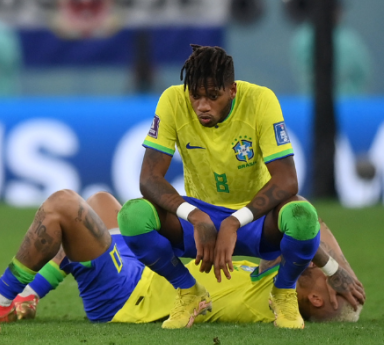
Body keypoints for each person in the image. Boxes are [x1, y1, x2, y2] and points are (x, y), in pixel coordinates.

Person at [117, 44, 322, 329]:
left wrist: (234, 222)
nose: (202, 105)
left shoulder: (261, 100)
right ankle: (188, 292)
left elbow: (287, 179)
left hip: (256, 218)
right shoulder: (172, 100)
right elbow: (149, 178)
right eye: (196, 96)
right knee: (132, 215)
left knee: (303, 215)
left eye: (213, 96)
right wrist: (196, 216)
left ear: (232, 90)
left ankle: (283, 291)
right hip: (199, 221)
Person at [0, 189, 364, 326]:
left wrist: (332, 271)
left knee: (65, 208)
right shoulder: (291, 274)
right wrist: (335, 272)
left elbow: (308, 217)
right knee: (105, 204)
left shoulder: (273, 298)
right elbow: (311, 219)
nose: (312, 260)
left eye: (319, 275)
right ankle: (30, 296)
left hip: (128, 296)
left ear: (316, 301)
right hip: (148, 268)